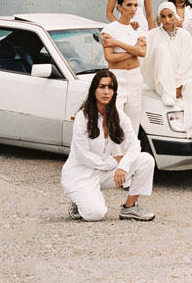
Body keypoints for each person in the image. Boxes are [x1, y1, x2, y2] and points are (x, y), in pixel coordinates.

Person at [61, 71, 155, 221]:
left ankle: (130, 208)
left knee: (145, 160)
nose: (106, 92)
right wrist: (112, 162)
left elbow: (134, 145)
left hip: (102, 173)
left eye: (110, 88)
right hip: (80, 175)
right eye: (102, 87)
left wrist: (123, 166)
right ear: (94, 90)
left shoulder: (119, 116)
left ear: (114, 92)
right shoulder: (83, 117)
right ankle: (79, 201)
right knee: (95, 214)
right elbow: (81, 154)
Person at [139, 2, 192, 142]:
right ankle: (167, 91)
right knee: (161, 49)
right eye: (163, 16)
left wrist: (178, 85)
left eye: (170, 15)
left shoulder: (185, 35)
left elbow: (187, 62)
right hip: (159, 80)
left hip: (181, 79)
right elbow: (143, 55)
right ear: (159, 18)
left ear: (175, 16)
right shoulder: (151, 35)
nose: (167, 20)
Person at [101, 0, 146, 138]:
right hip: (117, 78)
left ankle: (131, 150)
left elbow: (142, 52)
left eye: (135, 5)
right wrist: (133, 51)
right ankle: (114, 151)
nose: (133, 8)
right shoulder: (110, 29)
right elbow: (110, 58)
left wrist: (116, 43)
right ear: (119, 7)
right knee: (115, 118)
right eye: (129, 5)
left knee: (133, 120)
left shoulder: (137, 29)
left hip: (134, 77)